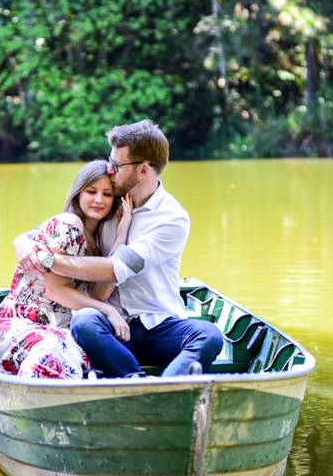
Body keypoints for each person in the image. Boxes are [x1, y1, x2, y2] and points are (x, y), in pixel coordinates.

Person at [14, 120, 224, 378]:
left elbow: (115, 269)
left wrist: (48, 260)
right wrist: (22, 242)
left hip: (159, 325)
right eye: (110, 162)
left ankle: (158, 390)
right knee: (84, 321)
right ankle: (136, 381)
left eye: (117, 165)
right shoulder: (107, 201)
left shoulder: (171, 219)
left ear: (143, 170)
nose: (110, 170)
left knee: (210, 336)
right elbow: (50, 229)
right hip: (110, 327)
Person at [0, 160, 135, 379]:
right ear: (78, 193)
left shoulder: (97, 239)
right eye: (91, 191)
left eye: (107, 194)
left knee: (86, 359)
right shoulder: (69, 224)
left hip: (58, 327)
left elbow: (99, 294)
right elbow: (56, 291)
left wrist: (121, 236)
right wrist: (109, 311)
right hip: (23, 323)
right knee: (53, 355)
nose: (99, 199)